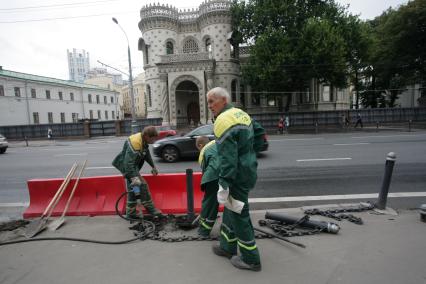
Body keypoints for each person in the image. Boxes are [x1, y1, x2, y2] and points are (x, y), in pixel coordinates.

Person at [206, 87, 261, 272]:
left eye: (212, 101)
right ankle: (227, 247)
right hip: (247, 170)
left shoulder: (222, 120)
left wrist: (224, 183)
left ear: (223, 100)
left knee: (239, 214)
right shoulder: (241, 113)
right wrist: (249, 156)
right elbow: (260, 134)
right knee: (231, 208)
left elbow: (227, 158)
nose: (209, 105)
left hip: (236, 175)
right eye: (208, 102)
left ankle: (251, 259)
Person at [112, 126, 161, 219]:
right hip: (128, 168)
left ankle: (130, 213)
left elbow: (146, 153)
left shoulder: (143, 141)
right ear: (147, 136)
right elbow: (128, 163)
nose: (154, 140)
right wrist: (134, 177)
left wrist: (153, 166)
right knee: (142, 185)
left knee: (133, 190)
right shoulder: (136, 143)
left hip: (132, 167)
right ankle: (151, 210)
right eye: (153, 138)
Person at [195, 136, 219, 237]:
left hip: (215, 175)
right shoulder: (217, 143)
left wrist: (206, 187)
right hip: (232, 172)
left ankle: (203, 230)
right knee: (231, 203)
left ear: (200, 145)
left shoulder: (204, 151)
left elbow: (206, 173)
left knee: (209, 203)